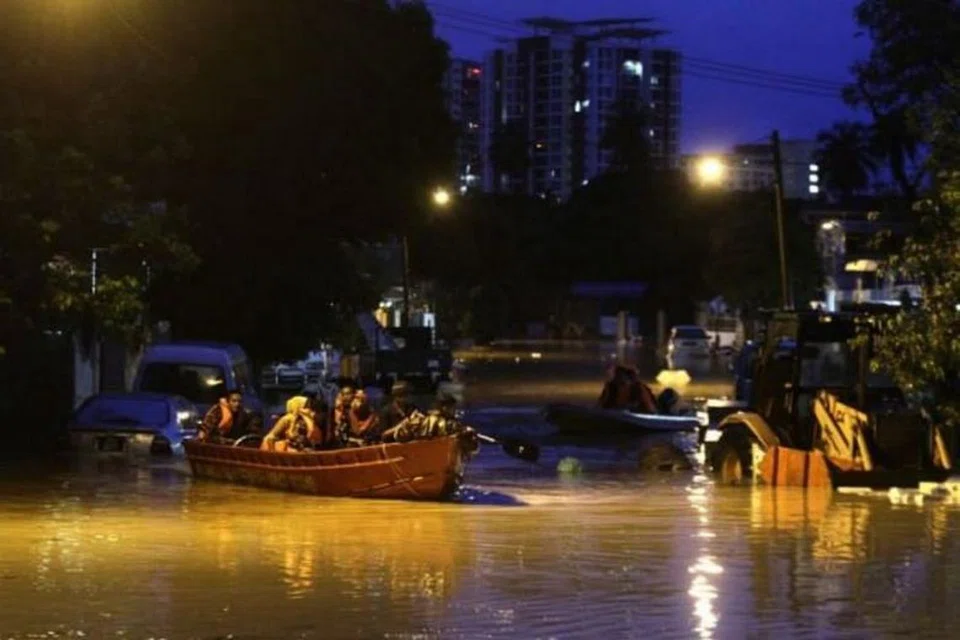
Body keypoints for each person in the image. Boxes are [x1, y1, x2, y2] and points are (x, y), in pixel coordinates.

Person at [381, 391, 476, 449]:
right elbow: (399, 436)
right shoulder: (430, 420)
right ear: (444, 407)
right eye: (452, 408)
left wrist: (467, 433)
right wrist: (406, 423)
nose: (454, 410)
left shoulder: (452, 422)